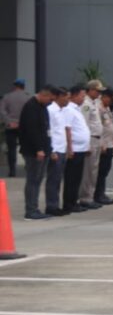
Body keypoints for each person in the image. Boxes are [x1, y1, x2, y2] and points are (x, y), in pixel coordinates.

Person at [18, 85, 53, 220]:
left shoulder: (42, 107)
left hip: (43, 149)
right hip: (33, 151)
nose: (50, 101)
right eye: (49, 99)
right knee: (33, 180)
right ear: (43, 95)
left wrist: (48, 148)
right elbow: (32, 131)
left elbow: (45, 128)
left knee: (37, 180)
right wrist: (39, 148)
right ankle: (31, 210)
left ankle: (35, 208)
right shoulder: (31, 107)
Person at [62, 85, 92, 214]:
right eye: (81, 96)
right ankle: (69, 203)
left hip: (81, 148)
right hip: (74, 149)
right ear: (73, 96)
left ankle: (74, 201)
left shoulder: (76, 109)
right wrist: (70, 148)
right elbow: (67, 129)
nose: (83, 99)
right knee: (71, 178)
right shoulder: (69, 109)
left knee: (77, 178)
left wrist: (86, 145)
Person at [78, 79, 105, 209]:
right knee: (88, 171)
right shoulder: (86, 104)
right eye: (97, 91)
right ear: (91, 90)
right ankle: (85, 197)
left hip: (97, 139)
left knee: (94, 171)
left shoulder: (95, 102)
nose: (99, 93)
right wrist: (87, 144)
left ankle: (90, 196)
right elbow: (85, 124)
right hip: (91, 139)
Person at [44, 87, 70, 216]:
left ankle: (55, 204)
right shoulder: (51, 110)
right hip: (56, 150)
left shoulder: (62, 111)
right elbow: (49, 131)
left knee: (58, 179)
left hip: (62, 149)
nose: (68, 100)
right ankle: (51, 206)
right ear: (59, 96)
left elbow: (62, 130)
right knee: (53, 179)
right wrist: (52, 150)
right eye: (66, 97)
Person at [94, 87, 113, 206]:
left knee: (105, 171)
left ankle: (101, 193)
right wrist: (102, 144)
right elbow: (98, 127)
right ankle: (98, 195)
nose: (112, 102)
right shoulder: (98, 107)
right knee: (100, 171)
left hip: (109, 144)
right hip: (103, 145)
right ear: (105, 97)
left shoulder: (106, 107)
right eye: (111, 99)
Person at [2, 78, 29, 177]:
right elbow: (30, 112)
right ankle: (28, 167)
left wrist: (9, 122)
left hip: (11, 126)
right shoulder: (28, 98)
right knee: (26, 147)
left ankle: (12, 171)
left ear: (14, 86)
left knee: (11, 149)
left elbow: (2, 111)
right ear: (23, 86)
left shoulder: (7, 97)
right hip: (24, 126)